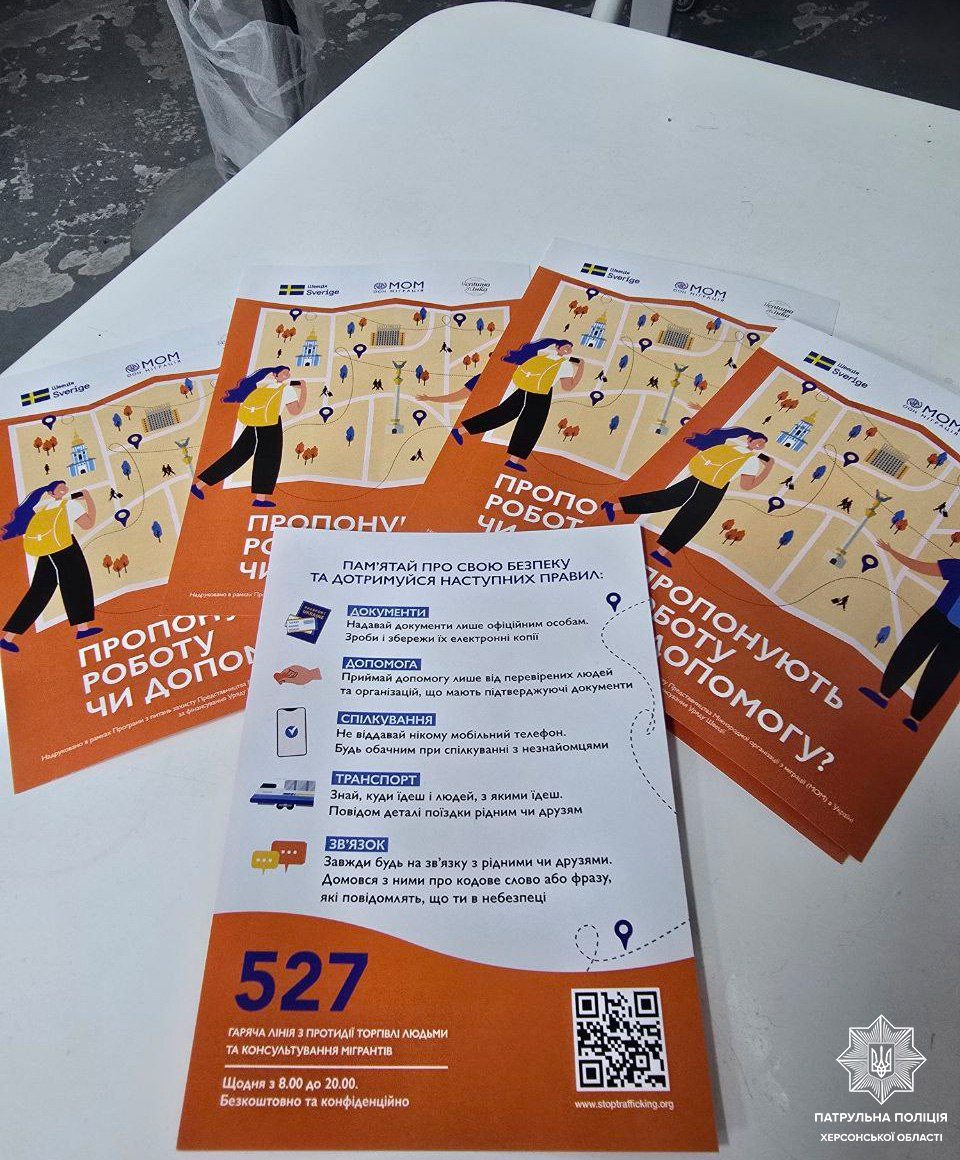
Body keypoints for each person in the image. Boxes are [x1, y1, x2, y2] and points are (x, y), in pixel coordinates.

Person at [601, 426, 774, 568]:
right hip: (714, 487)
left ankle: (614, 507)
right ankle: (660, 552)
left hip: (701, 478)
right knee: (691, 519)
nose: (760, 446)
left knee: (667, 499)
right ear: (749, 440)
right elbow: (747, 486)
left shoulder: (729, 448)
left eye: (762, 445)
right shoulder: (751, 461)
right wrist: (768, 468)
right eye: (759, 442)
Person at [859, 540, 960, 731]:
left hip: (944, 621)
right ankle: (889, 699)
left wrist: (892, 551)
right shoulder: (958, 567)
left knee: (936, 670)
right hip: (939, 616)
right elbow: (922, 567)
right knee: (915, 655)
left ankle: (912, 715)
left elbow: (922, 567)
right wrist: (892, 551)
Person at [448, 339, 584, 472]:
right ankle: (513, 460)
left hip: (526, 388)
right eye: (566, 347)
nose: (569, 350)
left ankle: (460, 431)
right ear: (558, 348)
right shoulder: (565, 365)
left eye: (570, 348)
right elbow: (568, 387)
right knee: (531, 426)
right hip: (541, 393)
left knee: (503, 413)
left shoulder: (545, 357)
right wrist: (581, 367)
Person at [1, 481, 101, 652]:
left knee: (39, 591)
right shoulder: (70, 504)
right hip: (65, 546)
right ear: (52, 493)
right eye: (61, 487)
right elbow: (88, 524)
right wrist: (88, 499)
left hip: (48, 548)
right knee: (77, 584)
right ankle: (82, 629)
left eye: (65, 486)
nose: (64, 489)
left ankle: (8, 637)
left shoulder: (45, 509)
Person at [190, 365, 305, 508]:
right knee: (268, 460)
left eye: (288, 373)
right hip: (271, 423)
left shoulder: (267, 387)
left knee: (238, 454)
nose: (287, 375)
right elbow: (295, 411)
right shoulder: (287, 389)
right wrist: (304, 389)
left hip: (256, 421)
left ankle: (199, 485)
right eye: (284, 373)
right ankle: (260, 499)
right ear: (275, 375)